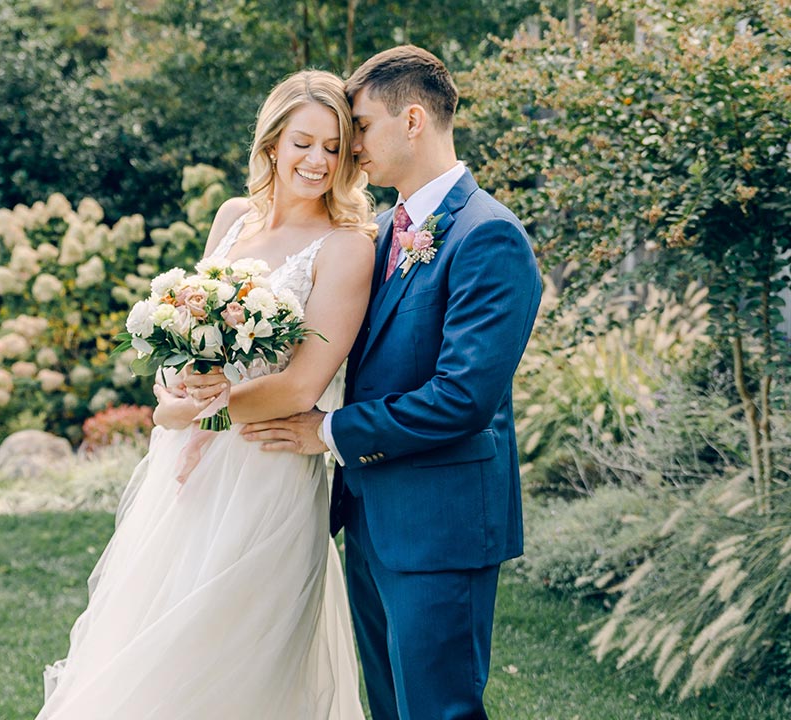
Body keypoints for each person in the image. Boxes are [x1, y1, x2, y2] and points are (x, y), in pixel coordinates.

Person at [35, 69, 378, 720]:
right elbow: (191, 341)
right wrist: (178, 395)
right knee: (154, 645)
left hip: (267, 469)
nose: (318, 160)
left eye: (334, 147)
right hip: (186, 474)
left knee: (235, 655)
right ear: (272, 142)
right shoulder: (231, 219)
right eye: (304, 141)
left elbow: (305, 382)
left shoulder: (346, 247)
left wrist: (209, 410)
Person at [240, 46, 542, 719]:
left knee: (438, 710)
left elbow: (462, 400)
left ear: (412, 121)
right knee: (389, 708)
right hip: (373, 517)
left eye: (361, 128)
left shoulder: (487, 237)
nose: (349, 151)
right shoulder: (381, 232)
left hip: (441, 526)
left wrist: (330, 430)